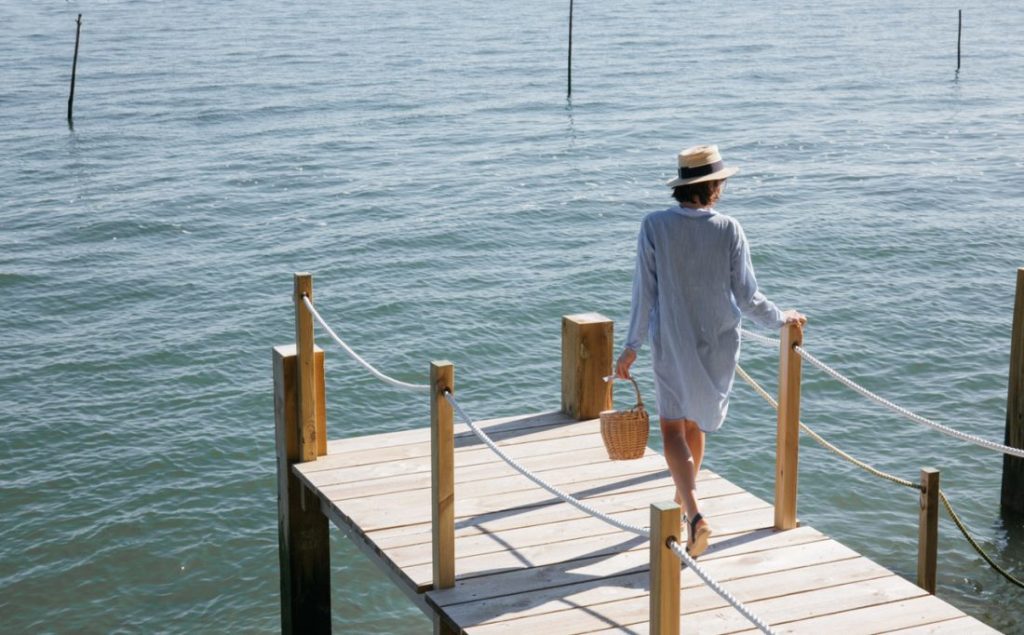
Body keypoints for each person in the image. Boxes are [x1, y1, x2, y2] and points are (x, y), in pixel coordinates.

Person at [615, 145, 805, 558]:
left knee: (671, 428)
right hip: (718, 343)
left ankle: (695, 514)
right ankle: (686, 504)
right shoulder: (729, 229)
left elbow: (643, 294)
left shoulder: (654, 226)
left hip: (673, 341)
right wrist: (782, 320)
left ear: (683, 186)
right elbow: (748, 297)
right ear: (713, 186)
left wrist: (630, 347)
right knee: (695, 426)